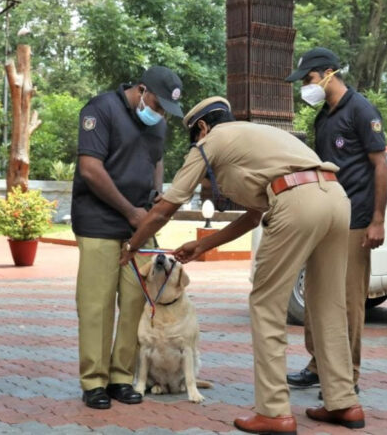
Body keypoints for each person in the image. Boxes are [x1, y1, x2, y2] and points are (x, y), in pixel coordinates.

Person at [120, 97, 366, 433]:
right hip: (336, 199)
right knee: (328, 305)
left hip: (296, 202)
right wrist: (204, 244)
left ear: (202, 128)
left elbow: (167, 206)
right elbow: (253, 216)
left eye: (195, 138)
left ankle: (274, 410)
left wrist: (133, 245)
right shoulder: (258, 137)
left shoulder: (211, 141)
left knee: (266, 304)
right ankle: (344, 403)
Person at [72, 66, 183, 410]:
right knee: (97, 305)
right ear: (140, 89)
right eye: (157, 104)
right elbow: (91, 169)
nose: (160, 113)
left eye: (166, 109)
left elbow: (156, 162)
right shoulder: (101, 109)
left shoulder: (157, 125)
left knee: (136, 304)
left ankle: (121, 377)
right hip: (100, 222)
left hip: (140, 227)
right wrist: (130, 211)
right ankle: (94, 382)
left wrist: (152, 201)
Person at [284, 47, 387, 397]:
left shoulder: (361, 110)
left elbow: (380, 165)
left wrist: (377, 220)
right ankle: (318, 365)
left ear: (329, 72)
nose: (307, 87)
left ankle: (348, 375)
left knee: (347, 300)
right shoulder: (323, 118)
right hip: (325, 219)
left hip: (356, 219)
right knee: (315, 295)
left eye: (310, 79)